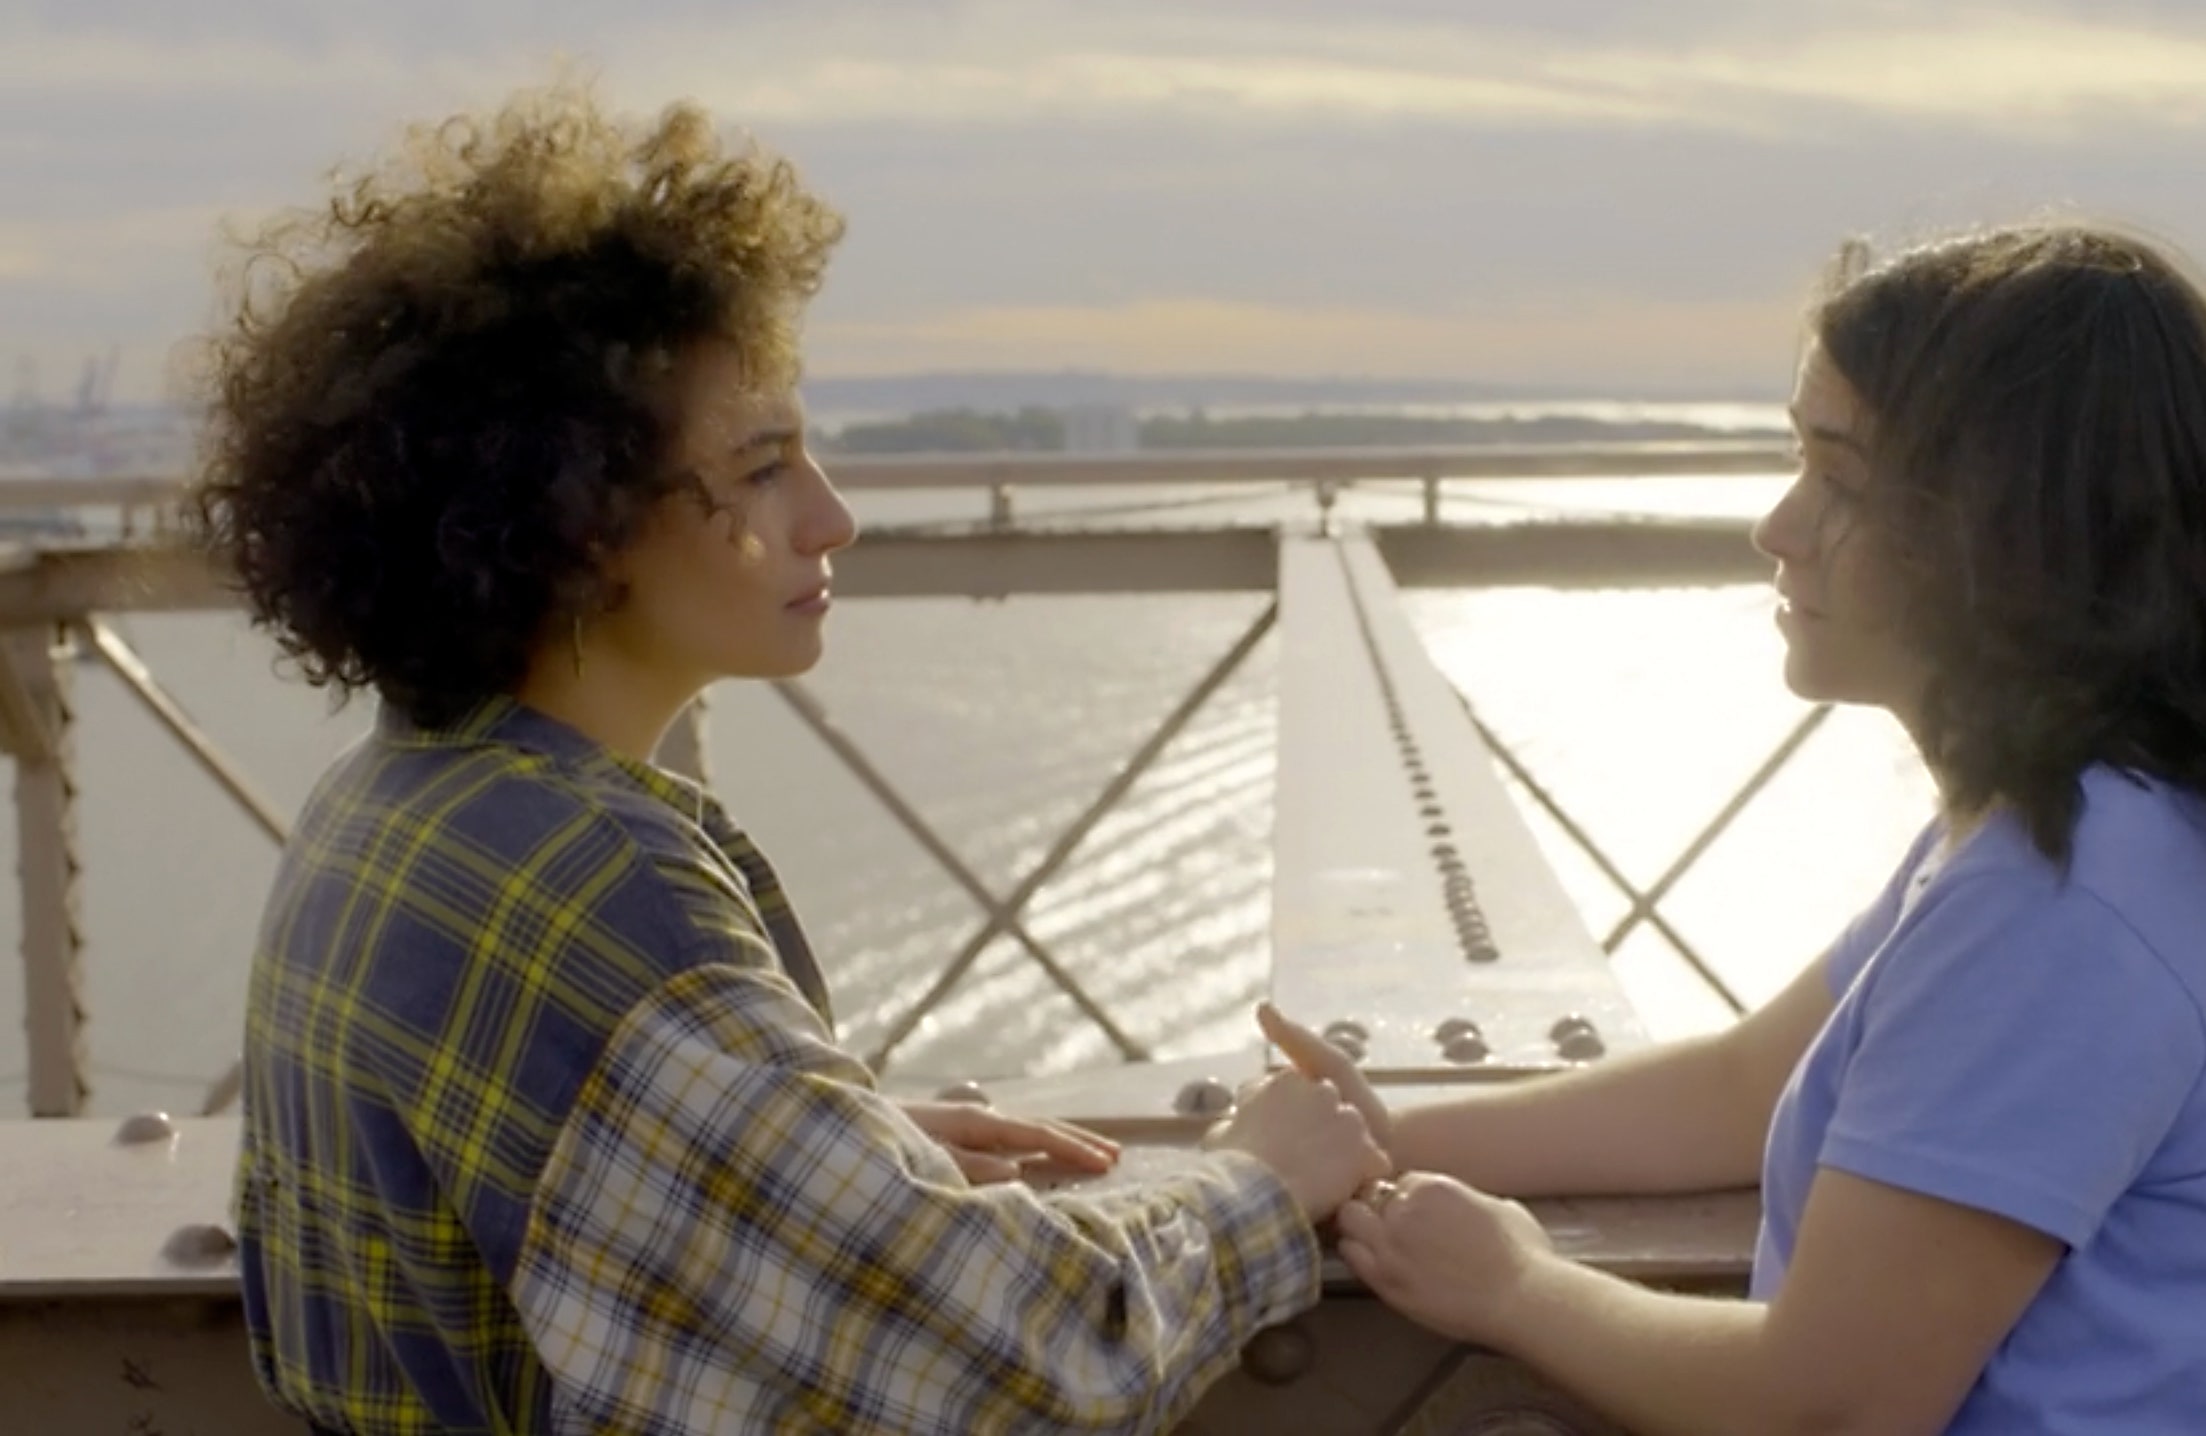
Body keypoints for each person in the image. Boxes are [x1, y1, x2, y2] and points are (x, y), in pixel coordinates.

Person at [193, 85, 1389, 1436]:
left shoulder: (381, 807)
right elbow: (1032, 1364)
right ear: (581, 523)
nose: (832, 519)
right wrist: (1256, 1182)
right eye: (763, 469)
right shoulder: (592, 888)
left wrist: (811, 1160)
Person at [1262, 221, 2206, 1434]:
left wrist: (1516, 1286)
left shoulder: (2071, 900)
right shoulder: (2068, 833)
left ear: (2006, 527)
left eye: (1840, 480)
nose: (1779, 525)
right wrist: (1389, 1136)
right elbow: (1742, 1087)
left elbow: (1833, 1403)